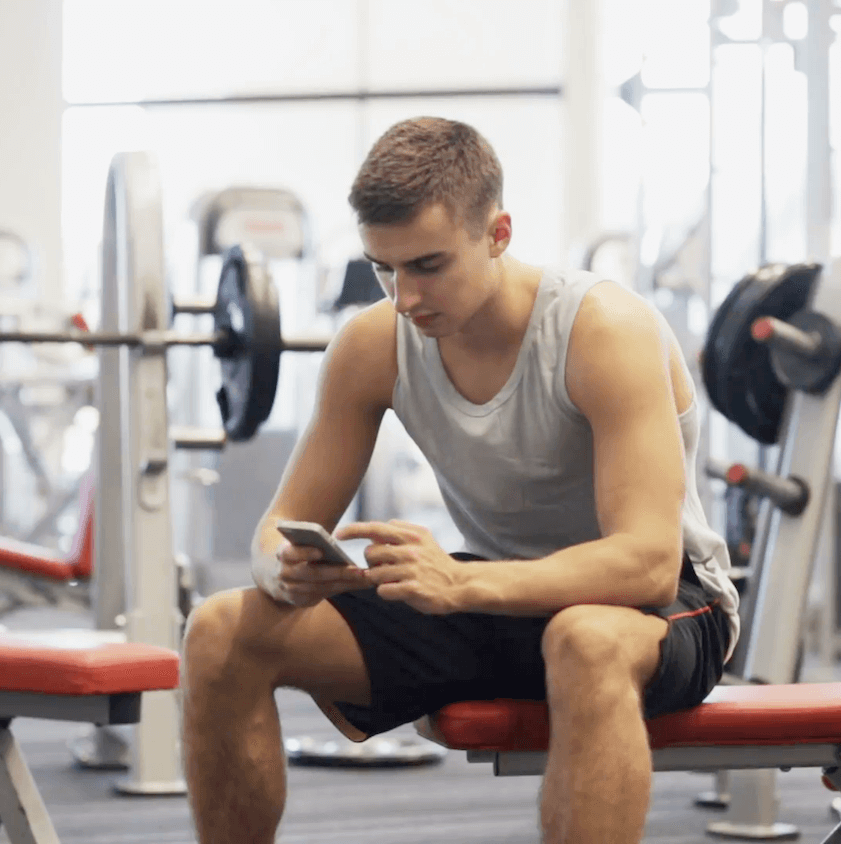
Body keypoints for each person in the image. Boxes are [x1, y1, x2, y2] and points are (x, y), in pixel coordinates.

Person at [181, 116, 741, 844]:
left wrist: (462, 584)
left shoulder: (604, 329)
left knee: (585, 639)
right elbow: (276, 525)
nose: (404, 296)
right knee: (219, 631)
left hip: (661, 607)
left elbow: (646, 563)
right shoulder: (373, 343)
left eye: (428, 265)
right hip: (500, 597)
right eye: (384, 268)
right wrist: (285, 571)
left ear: (498, 234)